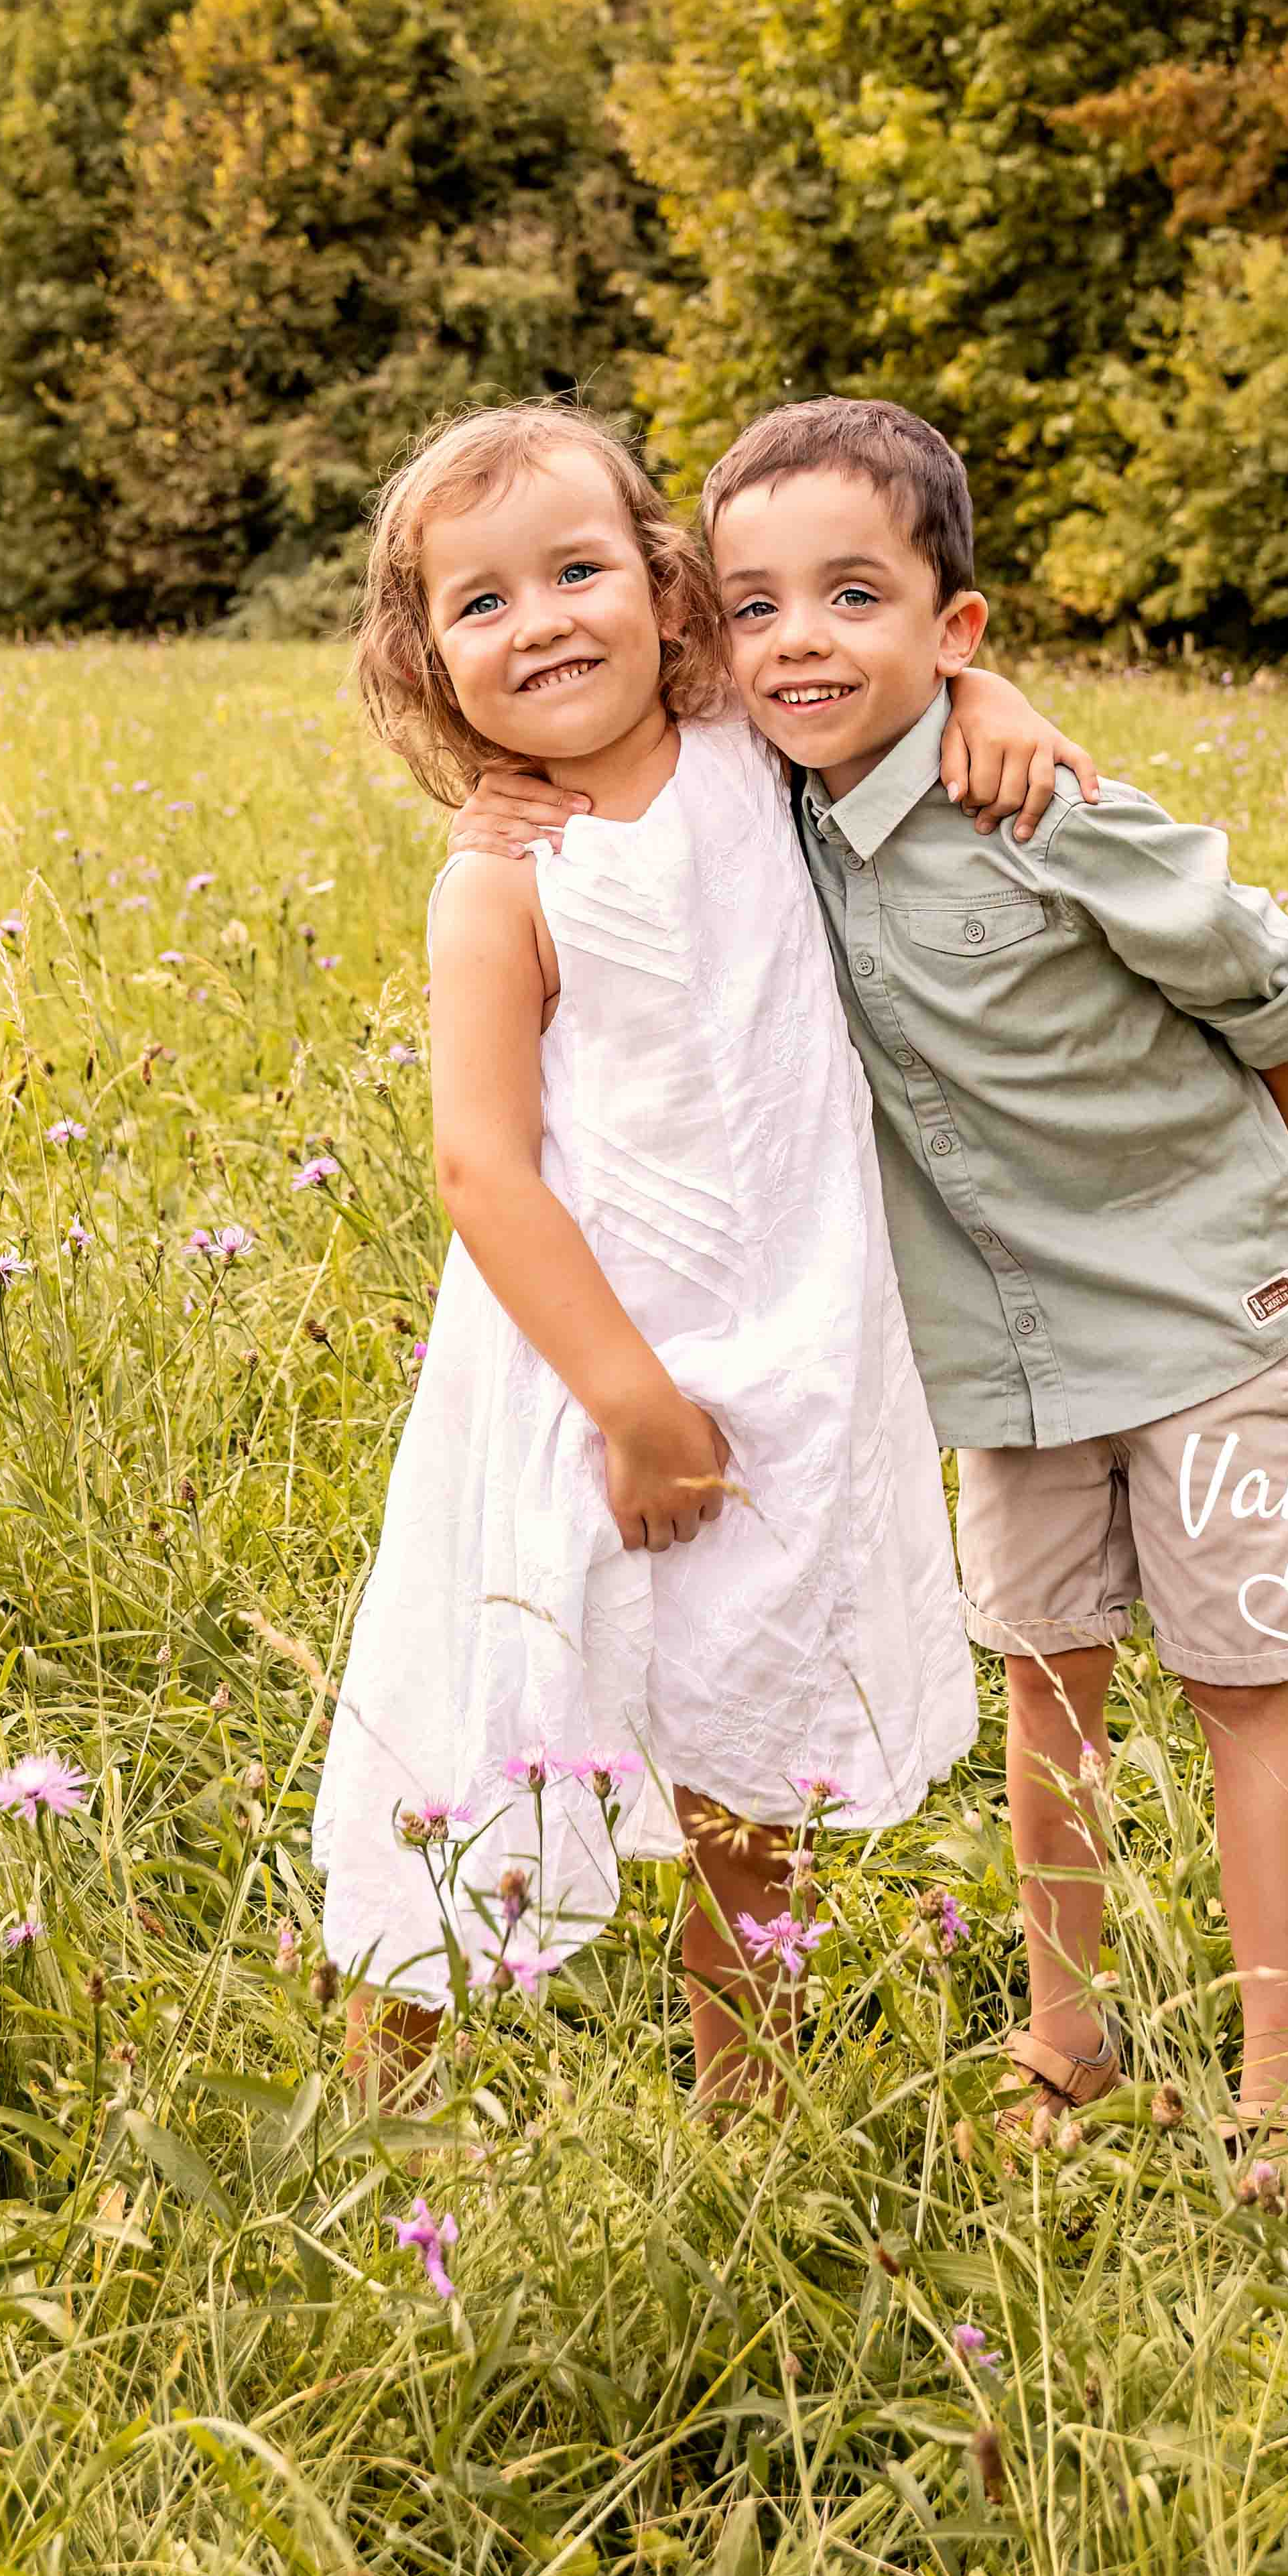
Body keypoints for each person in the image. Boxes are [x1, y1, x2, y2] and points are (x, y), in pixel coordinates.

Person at [466, 398, 1288, 2132]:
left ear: (951, 630)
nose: (798, 642)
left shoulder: (1042, 810)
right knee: (1048, 1688)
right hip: (1005, 1360)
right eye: (755, 606)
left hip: (1208, 1326)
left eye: (854, 598)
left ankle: (1281, 2100)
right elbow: (631, 725)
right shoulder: (768, 802)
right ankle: (1067, 2048)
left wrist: (1260, 1232)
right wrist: (515, 799)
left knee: (1243, 1685)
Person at [312, 397, 1092, 2113]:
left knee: (759, 1729)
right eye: (484, 602)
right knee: (488, 1698)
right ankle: (384, 2105)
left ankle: (748, 2107)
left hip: (799, 1333)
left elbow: (884, 659)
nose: (545, 622)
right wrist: (630, 1400)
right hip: (583, 1361)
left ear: (669, 590)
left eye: (580, 569)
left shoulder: (749, 738)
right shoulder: (503, 882)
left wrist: (995, 692)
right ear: (427, 657)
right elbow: (480, 1163)